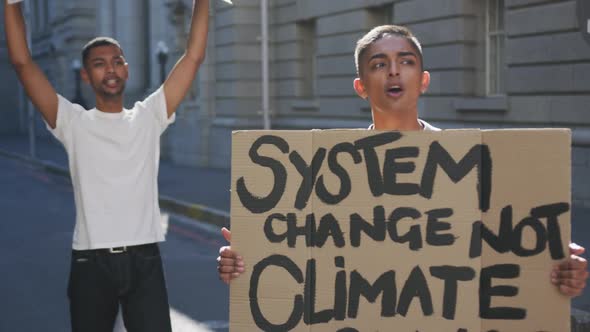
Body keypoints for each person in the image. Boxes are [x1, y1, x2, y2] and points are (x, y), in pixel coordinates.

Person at [216, 25, 589, 298]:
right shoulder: (326, 173)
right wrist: (246, 264)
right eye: (379, 64)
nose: (394, 71)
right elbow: (301, 265)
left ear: (422, 80)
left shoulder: (474, 164)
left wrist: (554, 269)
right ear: (361, 85)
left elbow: (507, 247)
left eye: (405, 62)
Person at [4, 0, 209, 331]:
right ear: (85, 75)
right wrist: (12, 4)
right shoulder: (72, 121)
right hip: (91, 264)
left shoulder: (149, 115)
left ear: (126, 69)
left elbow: (194, 56)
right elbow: (22, 62)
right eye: (99, 64)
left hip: (145, 261)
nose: (110, 69)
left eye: (117, 62)